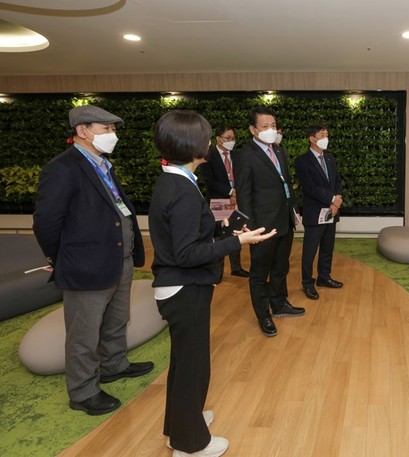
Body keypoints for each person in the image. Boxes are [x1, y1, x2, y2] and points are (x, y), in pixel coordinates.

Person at [149, 110, 276, 457]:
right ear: (193, 145)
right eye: (206, 137)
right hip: (184, 286)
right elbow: (189, 253)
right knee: (193, 366)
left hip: (178, 285)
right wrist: (238, 243)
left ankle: (182, 422)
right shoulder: (182, 189)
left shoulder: (175, 180)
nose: (212, 141)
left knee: (184, 362)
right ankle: (190, 444)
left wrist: (225, 231)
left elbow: (189, 236)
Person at [33, 105, 154, 416]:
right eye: (105, 129)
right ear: (82, 132)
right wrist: (59, 258)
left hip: (119, 258)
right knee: (83, 333)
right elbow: (46, 221)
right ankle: (83, 391)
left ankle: (114, 364)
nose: (112, 135)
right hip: (86, 265)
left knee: (117, 319)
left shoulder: (104, 164)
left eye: (113, 129)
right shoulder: (63, 168)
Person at [235, 107, 305, 337]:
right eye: (265, 126)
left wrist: (293, 210)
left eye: (273, 126)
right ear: (253, 129)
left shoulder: (279, 150)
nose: (271, 130)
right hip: (262, 226)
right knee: (259, 272)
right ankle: (263, 314)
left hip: (284, 221)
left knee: (280, 267)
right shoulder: (245, 155)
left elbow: (285, 185)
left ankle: (279, 303)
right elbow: (244, 195)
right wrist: (251, 228)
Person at [294, 124, 344, 300]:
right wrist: (332, 199)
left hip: (332, 211)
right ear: (312, 139)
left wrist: (336, 202)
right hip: (315, 212)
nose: (326, 138)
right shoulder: (302, 161)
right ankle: (307, 283)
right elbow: (310, 188)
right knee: (310, 251)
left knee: (327, 248)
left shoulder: (330, 158)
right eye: (322, 135)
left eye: (327, 135)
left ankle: (324, 277)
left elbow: (337, 180)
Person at [197, 126, 250, 277]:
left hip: (236, 200)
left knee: (235, 230)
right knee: (219, 235)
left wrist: (237, 191)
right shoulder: (208, 155)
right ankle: (218, 271)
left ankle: (236, 267)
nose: (231, 141)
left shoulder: (237, 156)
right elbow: (209, 180)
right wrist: (230, 191)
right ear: (218, 138)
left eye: (233, 138)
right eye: (228, 138)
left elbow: (243, 176)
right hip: (218, 202)